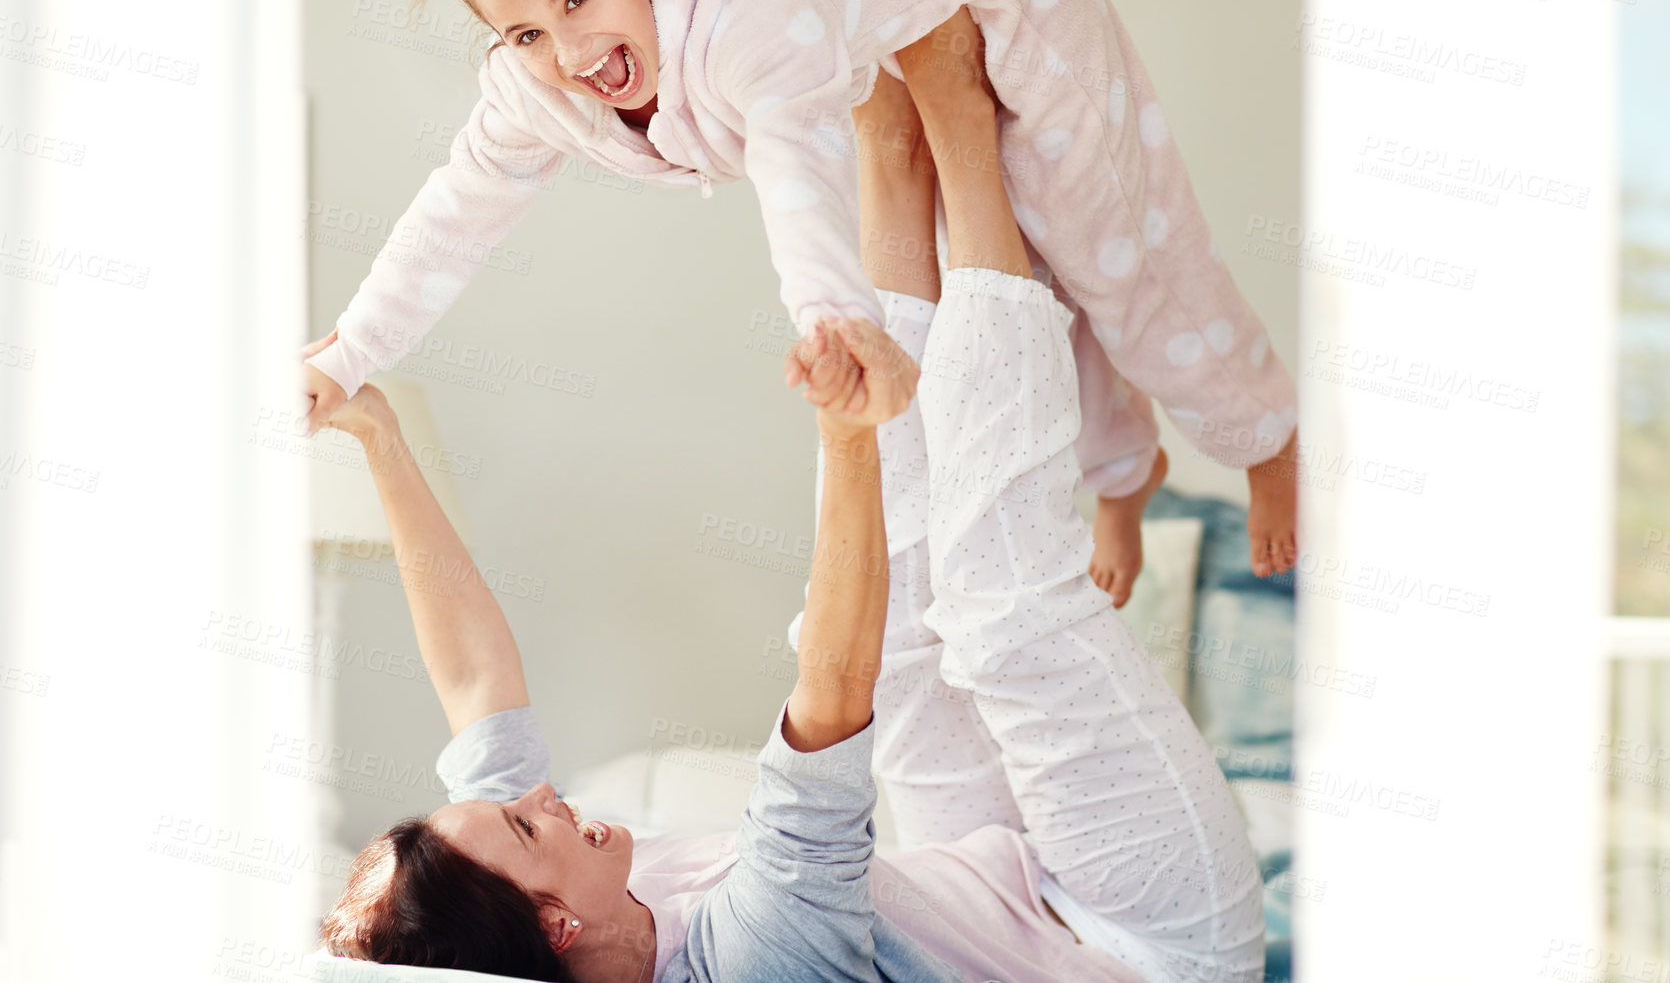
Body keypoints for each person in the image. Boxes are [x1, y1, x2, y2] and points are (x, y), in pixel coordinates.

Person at [314, 67, 1265, 982]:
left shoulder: (533, 884)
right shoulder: (754, 957)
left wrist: (378, 435)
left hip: (982, 873)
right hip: (1141, 946)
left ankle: (890, 151)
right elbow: (832, 683)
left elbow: (477, 680)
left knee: (902, 652)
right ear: (557, 927)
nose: (541, 796)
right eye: (526, 824)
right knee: (999, 600)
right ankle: (963, 129)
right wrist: (849, 431)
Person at [298, 0, 1300, 606]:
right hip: (878, 15)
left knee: (1104, 241)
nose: (569, 54)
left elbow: (792, 162)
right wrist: (346, 358)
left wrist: (829, 316)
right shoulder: (533, 88)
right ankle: (1123, 478)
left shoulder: (748, 7)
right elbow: (451, 216)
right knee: (1007, 271)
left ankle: (1262, 431)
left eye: (577, 1)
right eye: (524, 35)